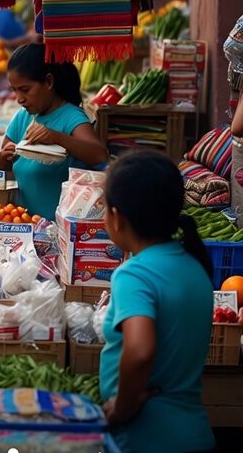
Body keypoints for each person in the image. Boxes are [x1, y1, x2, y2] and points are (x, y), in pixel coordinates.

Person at [100, 150, 215, 452]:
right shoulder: (195, 267)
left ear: (117, 217)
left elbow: (140, 350)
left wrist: (123, 407)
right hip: (195, 434)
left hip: (147, 439)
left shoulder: (134, 275)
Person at [0, 43, 108, 219]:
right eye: (14, 90)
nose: (19, 99)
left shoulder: (71, 116)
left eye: (25, 90)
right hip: (24, 227)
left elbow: (100, 155)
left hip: (57, 232)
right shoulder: (23, 116)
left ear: (49, 82)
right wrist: (2, 155)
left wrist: (56, 138)